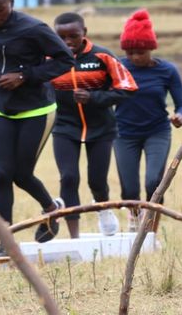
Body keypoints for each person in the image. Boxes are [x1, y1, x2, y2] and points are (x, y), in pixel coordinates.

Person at [0, 0, 74, 253]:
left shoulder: (33, 29)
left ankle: (52, 209)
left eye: (0, 9)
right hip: (0, 107)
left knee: (21, 174)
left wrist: (25, 76)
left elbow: (65, 60)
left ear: (12, 4)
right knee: (0, 173)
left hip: (36, 109)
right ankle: (5, 241)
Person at [51, 12, 138, 238]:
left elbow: (127, 88)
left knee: (96, 180)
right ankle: (74, 236)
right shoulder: (49, 59)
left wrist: (94, 98)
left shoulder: (102, 56)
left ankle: (103, 208)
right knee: (68, 177)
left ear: (85, 34)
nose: (68, 41)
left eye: (73, 36)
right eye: (61, 37)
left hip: (101, 128)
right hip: (64, 127)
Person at [114, 9, 182, 232]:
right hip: (123, 133)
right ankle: (135, 220)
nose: (135, 57)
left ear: (151, 48)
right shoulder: (117, 68)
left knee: (153, 182)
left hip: (157, 131)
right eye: (130, 52)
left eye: (140, 51)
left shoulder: (167, 71)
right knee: (129, 189)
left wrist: (181, 117)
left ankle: (151, 232)